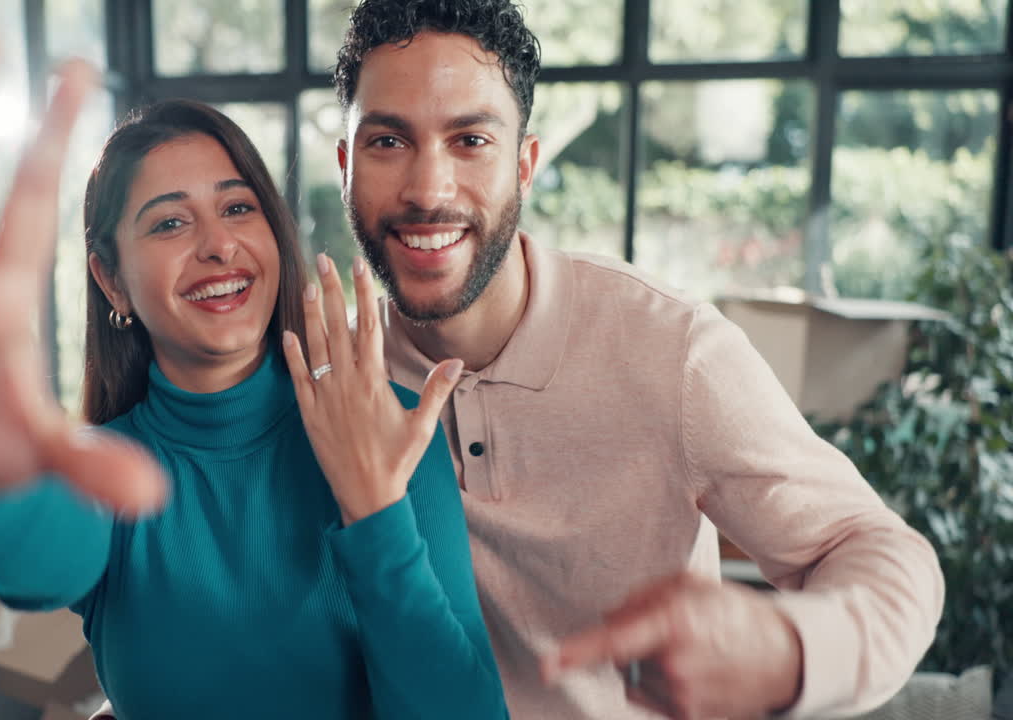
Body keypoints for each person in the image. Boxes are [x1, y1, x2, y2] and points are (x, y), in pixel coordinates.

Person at [0, 26, 509, 719]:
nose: (218, 246)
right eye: (170, 222)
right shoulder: (106, 472)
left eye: (238, 209)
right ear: (111, 282)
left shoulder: (390, 426)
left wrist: (375, 512)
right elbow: (41, 552)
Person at [326, 0, 947, 718]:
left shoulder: (673, 350)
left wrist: (787, 647)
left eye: (470, 140)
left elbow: (880, 552)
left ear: (525, 166)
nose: (427, 190)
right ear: (345, 166)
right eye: (387, 141)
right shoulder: (328, 384)